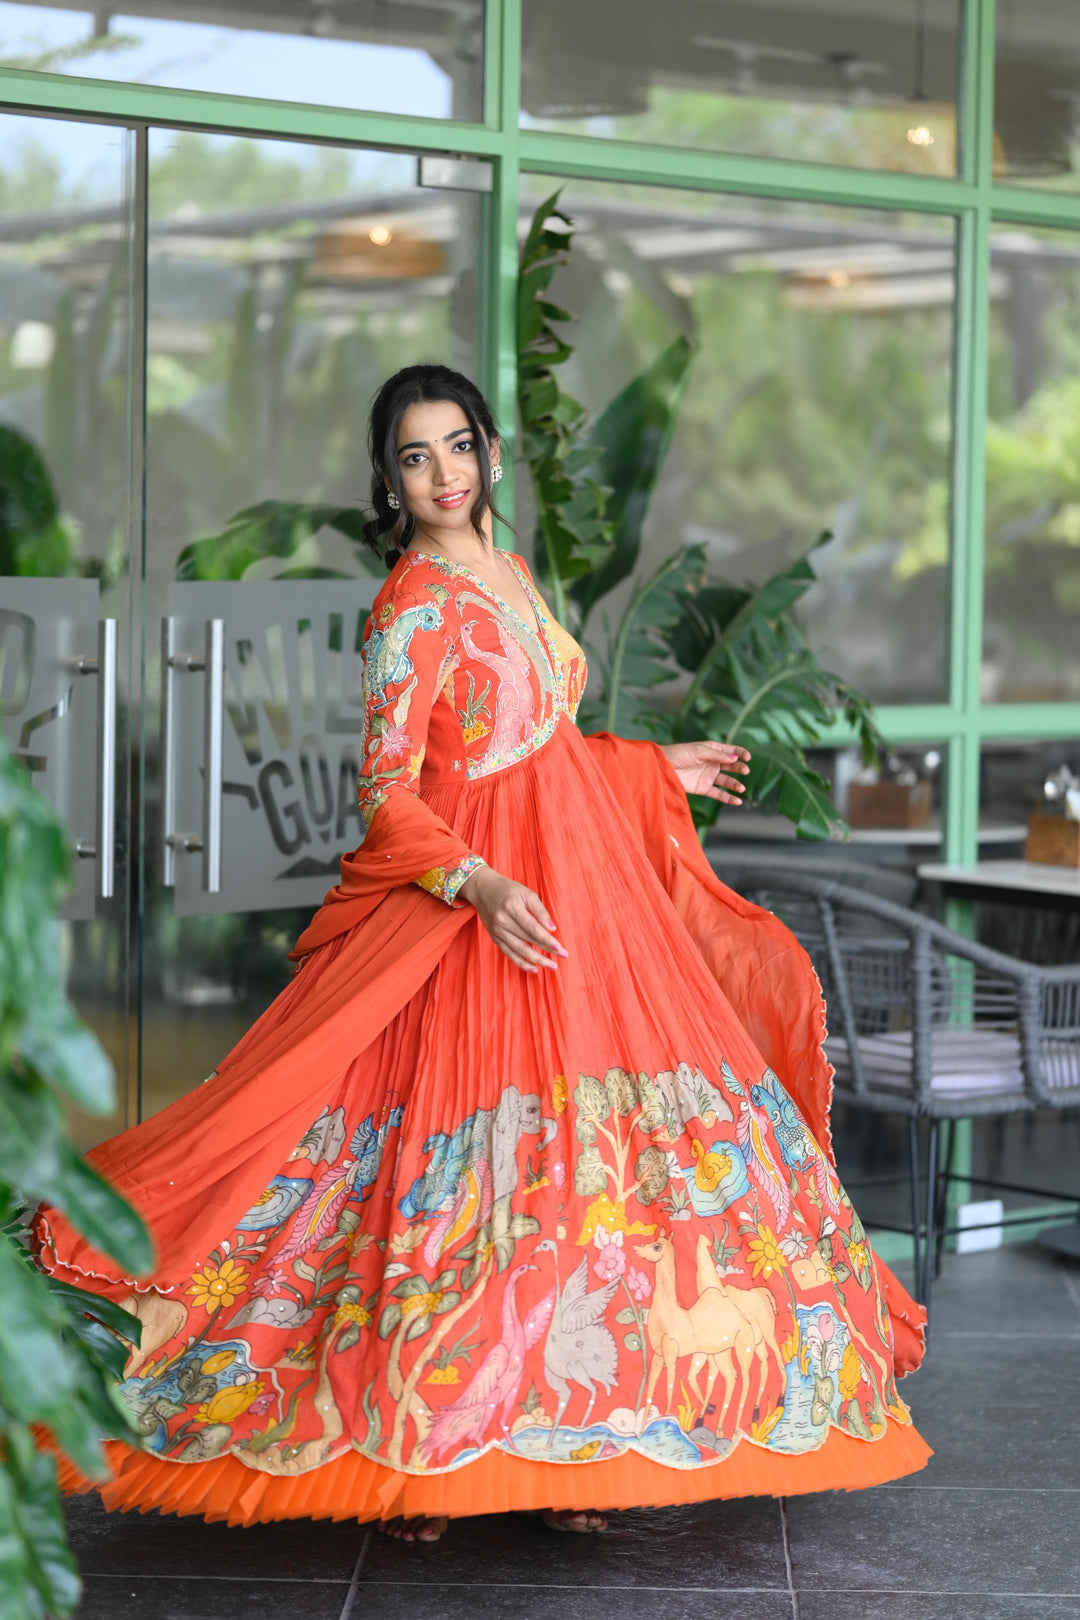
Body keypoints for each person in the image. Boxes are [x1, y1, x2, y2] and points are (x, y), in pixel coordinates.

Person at [37, 363, 928, 1542]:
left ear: (491, 453)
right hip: (479, 910)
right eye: (416, 457)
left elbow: (534, 746)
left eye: (458, 447)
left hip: (580, 900)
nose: (444, 475)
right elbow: (390, 792)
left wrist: (647, 769)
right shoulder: (408, 605)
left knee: (585, 1168)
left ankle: (569, 1435)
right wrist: (480, 880)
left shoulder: (506, 569)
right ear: (391, 478)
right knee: (456, 1172)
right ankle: (428, 1445)